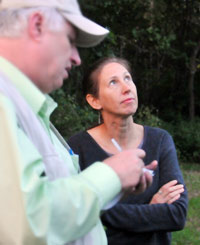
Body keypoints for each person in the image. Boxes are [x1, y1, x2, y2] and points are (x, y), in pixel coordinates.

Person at [0, 1, 157, 245]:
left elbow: (51, 206)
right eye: (71, 40)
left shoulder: (27, 109)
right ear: (37, 25)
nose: (76, 59)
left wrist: (114, 186)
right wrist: (112, 174)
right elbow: (26, 224)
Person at [67, 57, 188, 245]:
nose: (126, 88)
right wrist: (152, 209)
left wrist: (102, 212)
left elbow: (177, 215)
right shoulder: (77, 148)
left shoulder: (160, 140)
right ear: (94, 100)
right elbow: (73, 219)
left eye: (128, 78)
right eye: (113, 82)